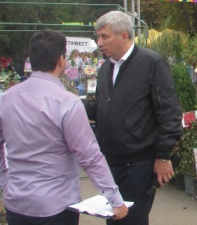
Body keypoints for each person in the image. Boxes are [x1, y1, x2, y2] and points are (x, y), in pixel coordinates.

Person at [0, 30, 128, 224]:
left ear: (30, 60)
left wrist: (4, 183)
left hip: (17, 203)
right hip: (56, 206)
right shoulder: (67, 103)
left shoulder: (7, 99)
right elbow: (90, 156)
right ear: (62, 60)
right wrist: (115, 199)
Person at [90, 11, 183, 225]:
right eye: (98, 36)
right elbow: (104, 107)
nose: (99, 42)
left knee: (132, 220)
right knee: (113, 219)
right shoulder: (106, 68)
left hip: (139, 164)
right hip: (111, 163)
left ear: (124, 35)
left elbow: (169, 112)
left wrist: (163, 156)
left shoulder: (151, 63)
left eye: (104, 36)